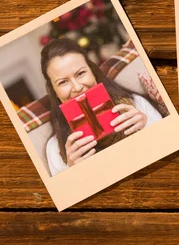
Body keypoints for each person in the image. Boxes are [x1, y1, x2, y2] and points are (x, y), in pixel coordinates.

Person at [41, 39, 162, 176]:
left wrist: (148, 125)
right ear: (54, 91)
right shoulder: (55, 148)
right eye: (63, 82)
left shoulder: (135, 106)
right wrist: (72, 171)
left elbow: (168, 145)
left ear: (93, 72)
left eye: (80, 73)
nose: (77, 87)